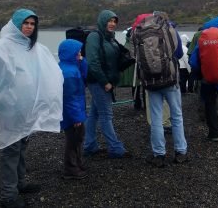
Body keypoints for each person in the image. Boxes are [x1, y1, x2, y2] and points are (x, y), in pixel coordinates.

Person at [0, 8, 63, 208]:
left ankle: (20, 184)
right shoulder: (2, 46)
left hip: (26, 107)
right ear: (16, 24)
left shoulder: (34, 48)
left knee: (22, 145)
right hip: (9, 107)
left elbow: (48, 70)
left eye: (33, 24)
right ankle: (8, 195)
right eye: (26, 23)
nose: (29, 27)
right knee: (11, 148)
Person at [132, 12, 188, 167]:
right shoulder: (168, 28)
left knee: (156, 118)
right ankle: (180, 152)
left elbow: (135, 56)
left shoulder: (138, 32)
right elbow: (179, 53)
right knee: (176, 116)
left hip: (150, 81)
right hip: (169, 79)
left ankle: (159, 154)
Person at [83, 10, 131, 159]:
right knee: (106, 115)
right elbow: (92, 62)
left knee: (95, 114)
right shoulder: (94, 37)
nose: (112, 24)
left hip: (107, 81)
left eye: (114, 21)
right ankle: (116, 148)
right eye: (109, 20)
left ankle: (89, 145)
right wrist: (105, 82)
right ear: (102, 21)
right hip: (98, 82)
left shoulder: (110, 38)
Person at [58, 39, 88, 180]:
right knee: (73, 140)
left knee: (78, 137)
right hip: (71, 113)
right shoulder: (68, 73)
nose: (80, 54)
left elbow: (83, 75)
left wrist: (82, 62)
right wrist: (77, 118)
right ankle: (70, 168)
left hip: (74, 110)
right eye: (78, 52)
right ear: (71, 54)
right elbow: (70, 98)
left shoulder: (71, 67)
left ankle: (77, 163)